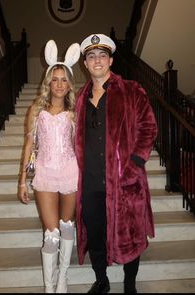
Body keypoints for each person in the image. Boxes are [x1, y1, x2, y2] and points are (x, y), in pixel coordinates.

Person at [74, 33, 158, 293]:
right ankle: (102, 281)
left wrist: (134, 164)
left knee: (130, 234)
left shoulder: (132, 90)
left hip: (124, 181)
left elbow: (148, 128)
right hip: (90, 183)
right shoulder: (79, 98)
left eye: (102, 55)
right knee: (96, 234)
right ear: (85, 64)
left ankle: (130, 284)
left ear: (110, 60)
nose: (97, 60)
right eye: (91, 56)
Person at [18, 39, 80, 293]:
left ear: (69, 84)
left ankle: (63, 278)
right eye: (55, 79)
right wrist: (22, 180)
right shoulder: (36, 110)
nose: (59, 85)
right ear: (48, 82)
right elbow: (29, 145)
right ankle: (48, 286)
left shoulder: (75, 112)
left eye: (64, 80)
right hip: (44, 173)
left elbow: (80, 146)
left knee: (67, 227)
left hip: (70, 172)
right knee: (51, 233)